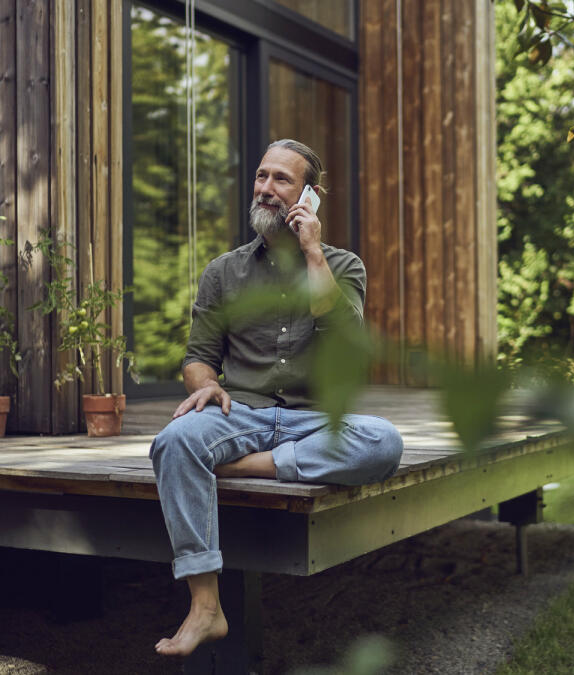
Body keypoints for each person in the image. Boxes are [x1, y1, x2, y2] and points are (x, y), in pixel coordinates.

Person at [149, 139, 404, 656]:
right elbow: (197, 357)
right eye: (262, 176)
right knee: (174, 441)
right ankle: (205, 605)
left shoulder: (343, 265)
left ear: (311, 194)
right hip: (239, 412)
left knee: (384, 442)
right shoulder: (224, 271)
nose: (266, 188)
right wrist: (207, 385)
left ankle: (245, 467)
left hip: (313, 420)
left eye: (281, 180)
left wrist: (312, 250)